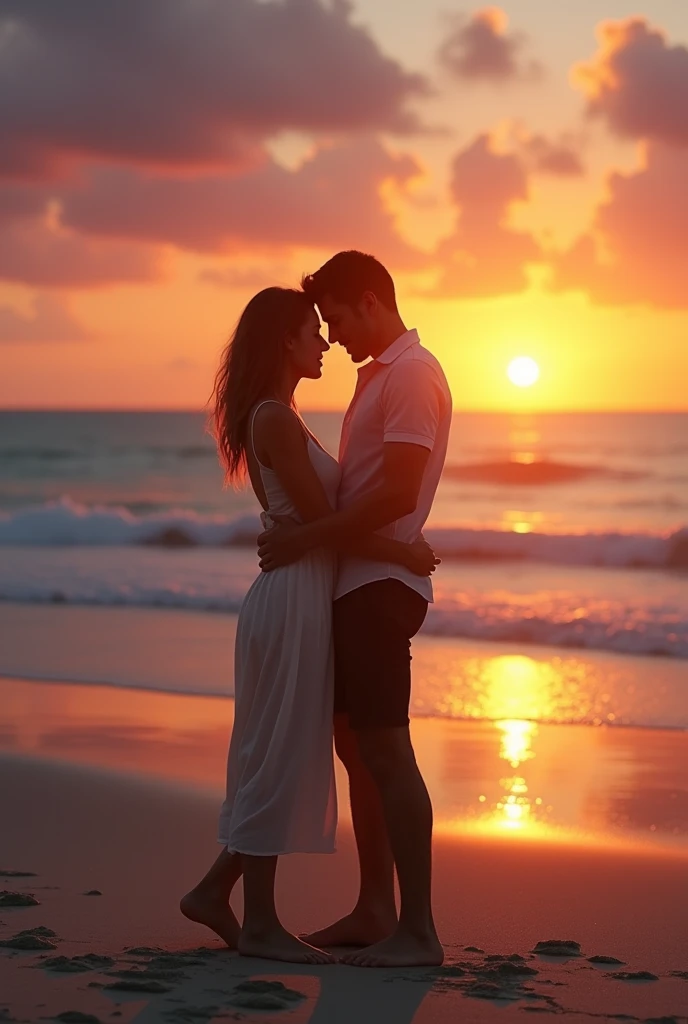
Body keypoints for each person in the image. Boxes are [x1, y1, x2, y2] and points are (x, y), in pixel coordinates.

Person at [180, 286, 438, 965]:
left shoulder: (281, 416)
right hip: (292, 597)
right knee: (278, 752)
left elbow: (314, 528)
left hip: (300, 594)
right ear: (283, 343)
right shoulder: (276, 420)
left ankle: (218, 893)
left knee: (283, 748)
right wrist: (402, 550)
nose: (323, 342)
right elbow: (323, 526)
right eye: (310, 333)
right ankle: (258, 920)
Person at [257, 251, 452, 968]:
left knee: (387, 749)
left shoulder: (411, 374)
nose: (331, 336)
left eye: (335, 317)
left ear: (369, 301)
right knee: (358, 747)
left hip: (380, 589)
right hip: (356, 581)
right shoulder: (380, 377)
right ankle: (375, 908)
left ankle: (418, 931)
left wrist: (308, 536)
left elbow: (399, 492)